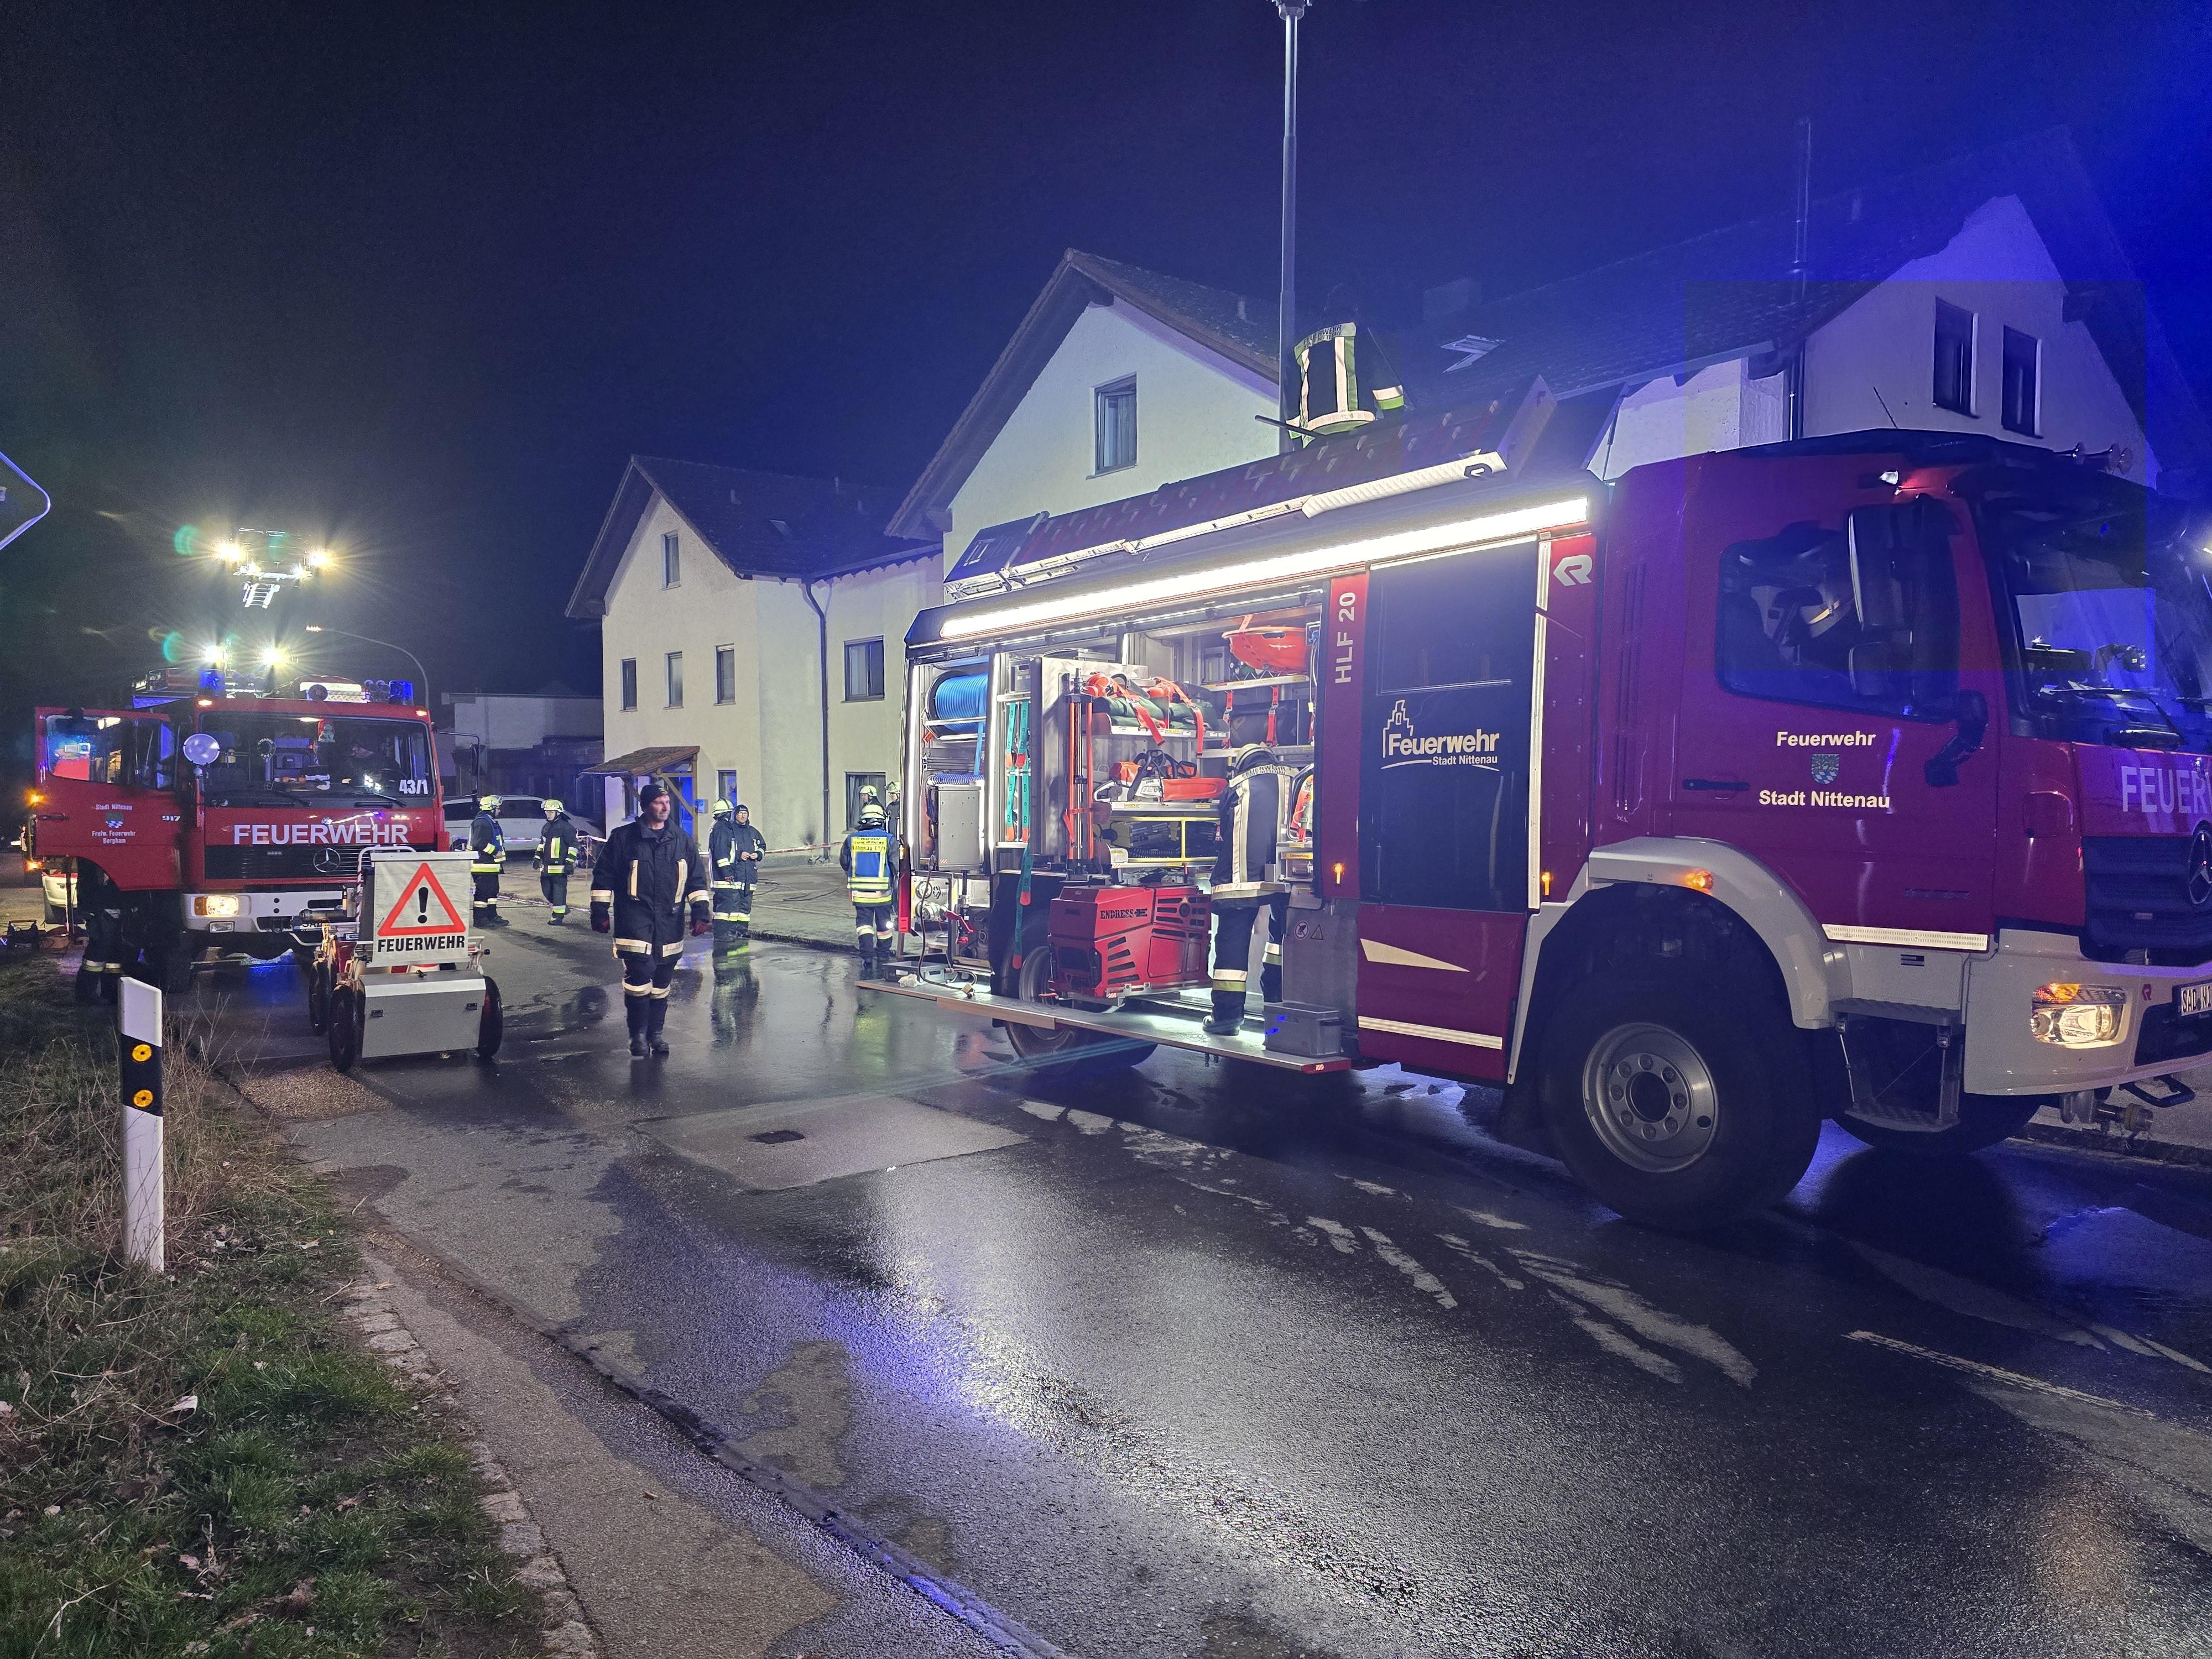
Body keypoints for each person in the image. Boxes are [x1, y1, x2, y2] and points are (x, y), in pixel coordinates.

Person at [589, 780, 711, 1057]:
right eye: (658, 802)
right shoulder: (623, 838)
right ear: (646, 807)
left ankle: (656, 1034)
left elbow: (696, 880)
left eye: (667, 802)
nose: (665, 807)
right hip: (635, 920)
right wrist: (600, 911)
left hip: (670, 922)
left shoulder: (681, 840)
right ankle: (638, 1036)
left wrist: (701, 912)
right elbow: (604, 876)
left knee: (662, 982)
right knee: (639, 979)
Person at [1203, 744, 1297, 1036]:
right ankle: (1277, 1006)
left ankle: (1228, 1018)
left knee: (1232, 945)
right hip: (1289, 874)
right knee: (1282, 942)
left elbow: (1224, 831)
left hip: (1240, 879)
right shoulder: (1295, 779)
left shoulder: (1237, 785)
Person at [839, 800, 896, 980]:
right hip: (882, 894)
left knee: (864, 926)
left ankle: (867, 959)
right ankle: (883, 957)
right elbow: (896, 865)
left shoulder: (852, 839)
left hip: (860, 894)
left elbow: (844, 861)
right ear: (881, 820)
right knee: (884, 927)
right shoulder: (889, 839)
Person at [707, 800, 767, 955]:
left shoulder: (732, 829)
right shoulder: (723, 829)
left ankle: (733, 932)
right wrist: (728, 873)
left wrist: (757, 855)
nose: (742, 816)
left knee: (738, 906)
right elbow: (722, 854)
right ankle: (724, 934)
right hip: (727, 876)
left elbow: (761, 846)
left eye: (745, 813)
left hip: (744, 875)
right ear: (729, 814)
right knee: (726, 907)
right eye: (738, 813)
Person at [535, 799, 579, 924]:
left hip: (560, 868)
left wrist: (569, 863)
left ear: (558, 813)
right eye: (547, 812)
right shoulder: (546, 827)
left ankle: (557, 917)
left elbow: (573, 846)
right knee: (547, 891)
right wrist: (537, 857)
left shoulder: (566, 828)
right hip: (546, 868)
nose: (548, 815)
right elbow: (542, 844)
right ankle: (562, 908)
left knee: (559, 892)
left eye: (551, 812)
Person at [468, 795, 507, 926]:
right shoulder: (482, 822)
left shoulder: (489, 821)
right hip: (482, 865)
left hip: (490, 865)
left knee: (492, 891)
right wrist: (495, 852)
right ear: (491, 809)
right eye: (497, 808)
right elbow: (479, 843)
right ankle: (480, 919)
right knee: (483, 893)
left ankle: (492, 916)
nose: (499, 811)